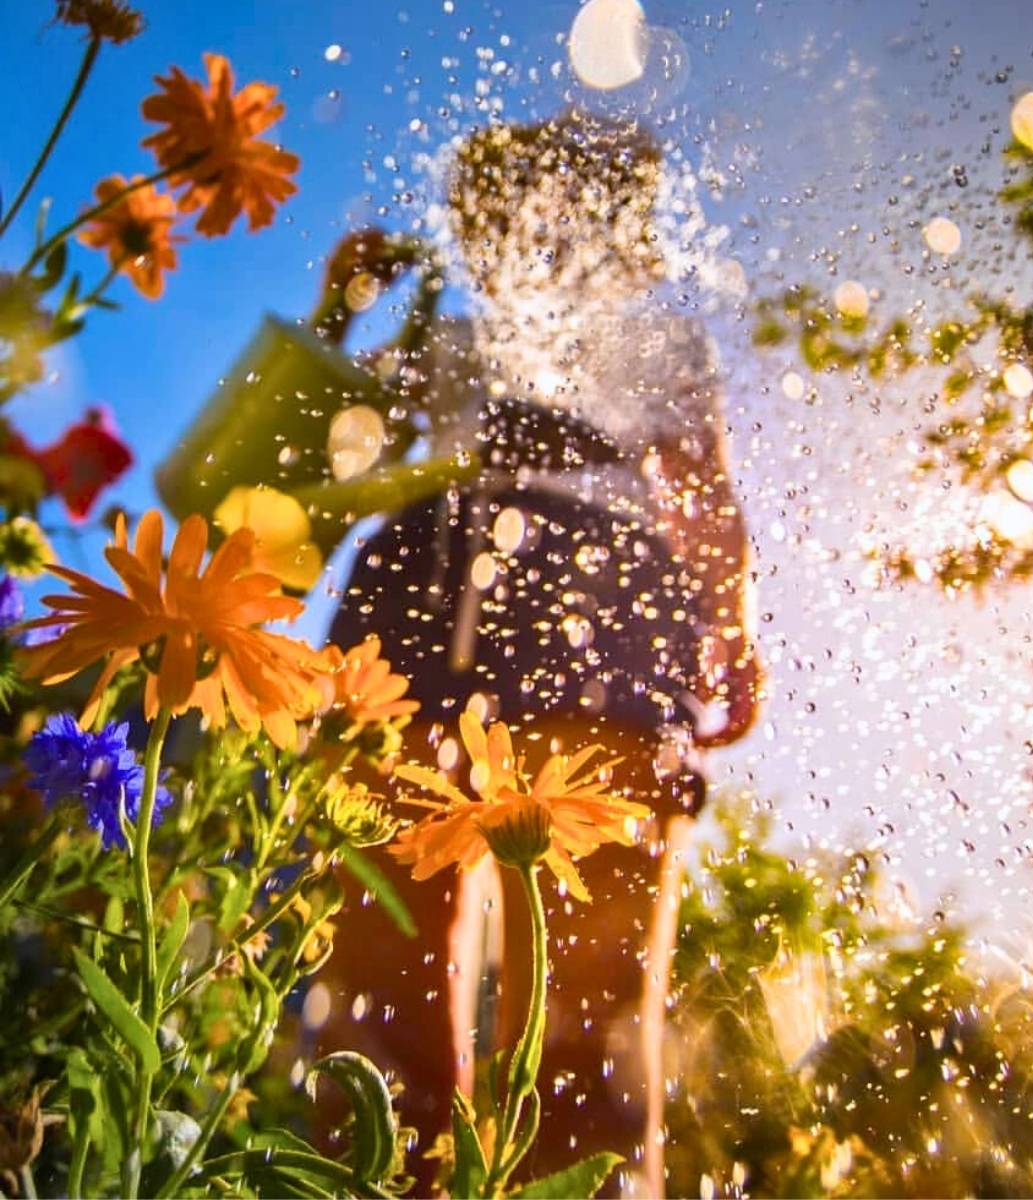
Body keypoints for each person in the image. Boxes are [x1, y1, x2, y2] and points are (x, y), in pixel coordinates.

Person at [316, 113, 760, 1196]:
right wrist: (341, 312)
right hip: (444, 584)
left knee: (584, 976)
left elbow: (702, 496)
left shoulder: (657, 344)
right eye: (523, 219)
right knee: (391, 943)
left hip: (585, 596)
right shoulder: (450, 342)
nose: (546, 241)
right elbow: (322, 428)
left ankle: (569, 1169)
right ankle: (395, 1163)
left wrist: (731, 627)